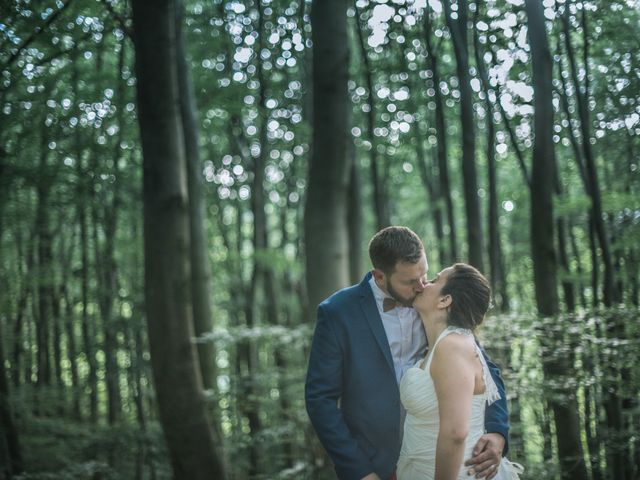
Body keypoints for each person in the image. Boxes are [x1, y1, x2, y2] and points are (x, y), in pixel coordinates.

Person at [305, 226, 509, 480]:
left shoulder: (436, 304)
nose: (421, 285)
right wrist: (358, 470)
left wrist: (498, 431)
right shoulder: (338, 313)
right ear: (380, 277)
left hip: (441, 459)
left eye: (424, 274)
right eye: (410, 282)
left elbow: (486, 371)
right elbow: (320, 399)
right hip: (373, 462)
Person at [397, 263, 523, 479]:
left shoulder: (453, 345)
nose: (424, 283)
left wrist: (497, 431)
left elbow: (456, 433)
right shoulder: (444, 342)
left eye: (435, 280)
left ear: (445, 300)